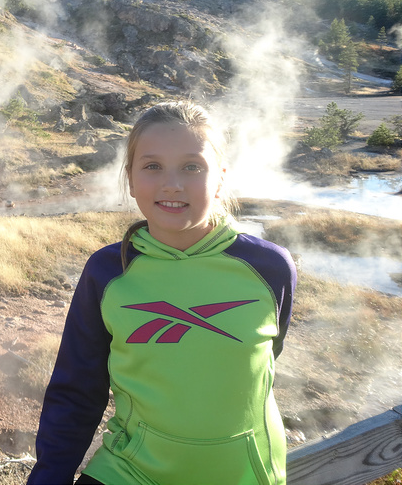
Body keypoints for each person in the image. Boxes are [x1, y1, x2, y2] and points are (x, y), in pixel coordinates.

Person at [27, 100, 296, 485]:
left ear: (220, 177)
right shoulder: (107, 273)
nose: (172, 183)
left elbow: (267, 359)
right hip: (130, 470)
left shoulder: (270, 268)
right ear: (131, 178)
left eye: (192, 166)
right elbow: (77, 392)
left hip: (242, 473)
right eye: (152, 166)